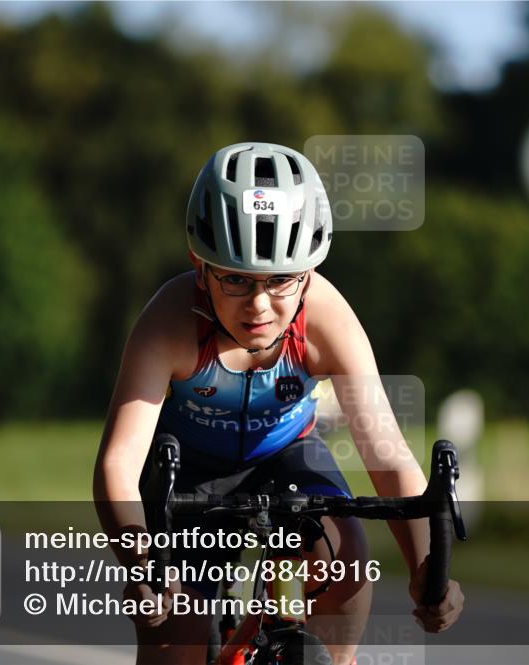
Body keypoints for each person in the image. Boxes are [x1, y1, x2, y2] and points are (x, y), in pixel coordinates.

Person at [93, 142, 463, 665]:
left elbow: (386, 453)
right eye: (236, 278)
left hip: (288, 455)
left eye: (281, 280)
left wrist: (427, 569)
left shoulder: (327, 317)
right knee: (175, 634)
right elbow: (118, 462)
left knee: (347, 571)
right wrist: (141, 564)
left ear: (309, 272)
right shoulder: (170, 323)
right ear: (200, 264)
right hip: (188, 471)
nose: (260, 305)